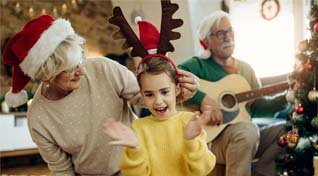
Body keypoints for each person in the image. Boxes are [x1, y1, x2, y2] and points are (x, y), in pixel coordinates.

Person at [3, 15, 198, 175]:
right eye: (70, 69)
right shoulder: (39, 117)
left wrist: (178, 93)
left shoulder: (104, 68)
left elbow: (146, 98)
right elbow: (62, 170)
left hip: (138, 166)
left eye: (80, 60)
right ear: (46, 76)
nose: (82, 71)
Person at [178, 11, 287, 176]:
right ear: (207, 40)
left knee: (289, 128)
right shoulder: (197, 65)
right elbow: (173, 78)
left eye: (230, 31)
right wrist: (203, 99)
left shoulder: (246, 69)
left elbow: (257, 107)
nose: (227, 37)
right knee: (247, 130)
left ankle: (261, 171)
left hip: (244, 139)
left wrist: (286, 98)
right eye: (221, 33)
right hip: (210, 139)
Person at [103, 56, 216, 176]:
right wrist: (135, 149)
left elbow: (202, 170)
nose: (158, 101)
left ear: (177, 89)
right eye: (149, 94)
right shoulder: (138, 127)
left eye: (164, 92)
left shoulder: (190, 122)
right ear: (142, 95)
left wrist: (191, 141)